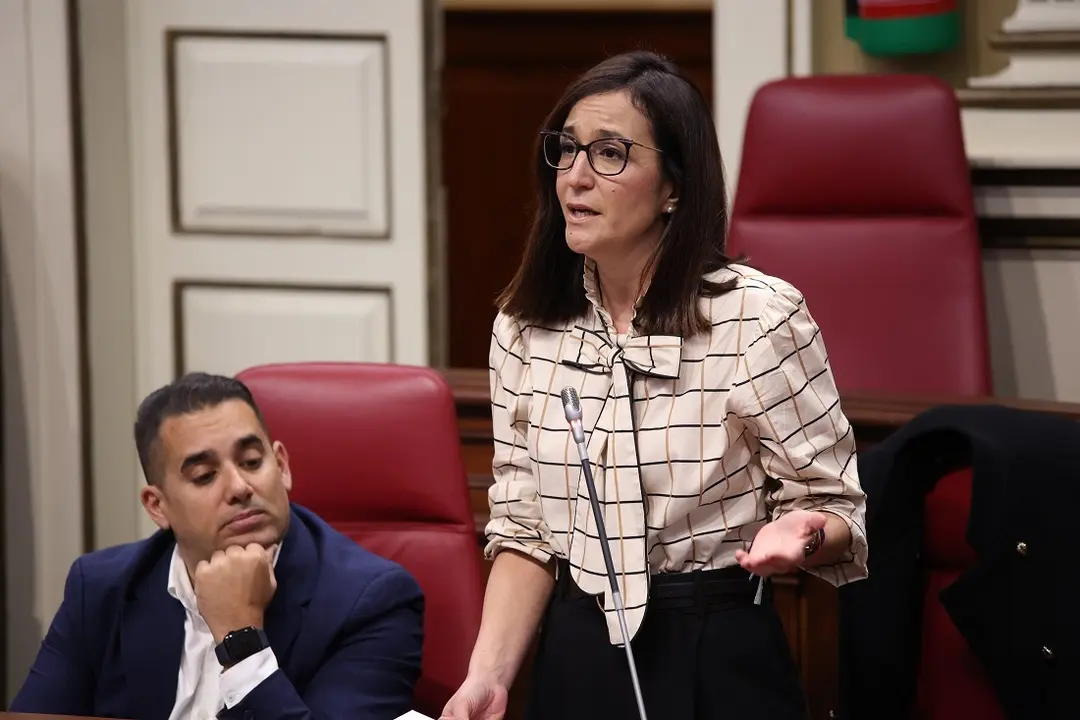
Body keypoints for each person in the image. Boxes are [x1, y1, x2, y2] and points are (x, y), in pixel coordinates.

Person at [441, 51, 868, 720]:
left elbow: (837, 511)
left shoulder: (758, 317)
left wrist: (803, 533)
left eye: (611, 154)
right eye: (567, 150)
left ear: (675, 187)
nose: (576, 178)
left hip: (715, 648)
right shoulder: (524, 326)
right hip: (577, 650)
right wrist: (488, 676)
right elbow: (524, 530)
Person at [10, 372, 425, 720]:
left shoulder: (371, 602)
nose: (240, 488)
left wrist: (240, 638)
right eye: (206, 476)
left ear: (281, 466)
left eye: (251, 462)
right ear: (158, 506)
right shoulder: (100, 588)